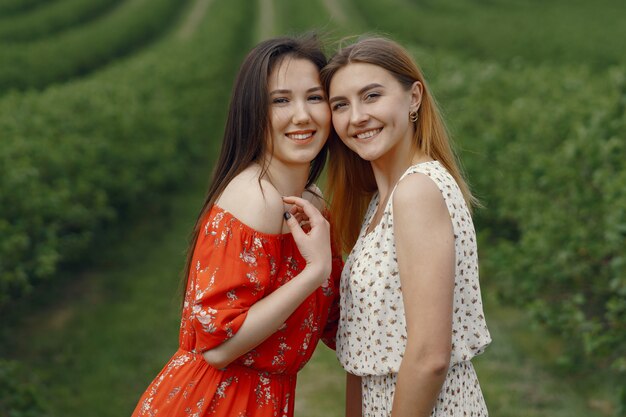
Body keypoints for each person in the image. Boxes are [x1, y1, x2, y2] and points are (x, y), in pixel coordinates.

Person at [131, 35, 341, 417]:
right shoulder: (255, 198)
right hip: (217, 401)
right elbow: (218, 347)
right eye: (281, 100)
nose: (302, 115)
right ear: (253, 112)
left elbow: (336, 325)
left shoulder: (312, 202)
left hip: (260, 401)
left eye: (314, 97)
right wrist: (315, 272)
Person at [321, 36, 491, 417]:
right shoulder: (383, 201)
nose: (356, 117)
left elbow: (430, 355)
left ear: (414, 97)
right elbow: (364, 357)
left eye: (371, 96)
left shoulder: (417, 191)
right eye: (340, 105)